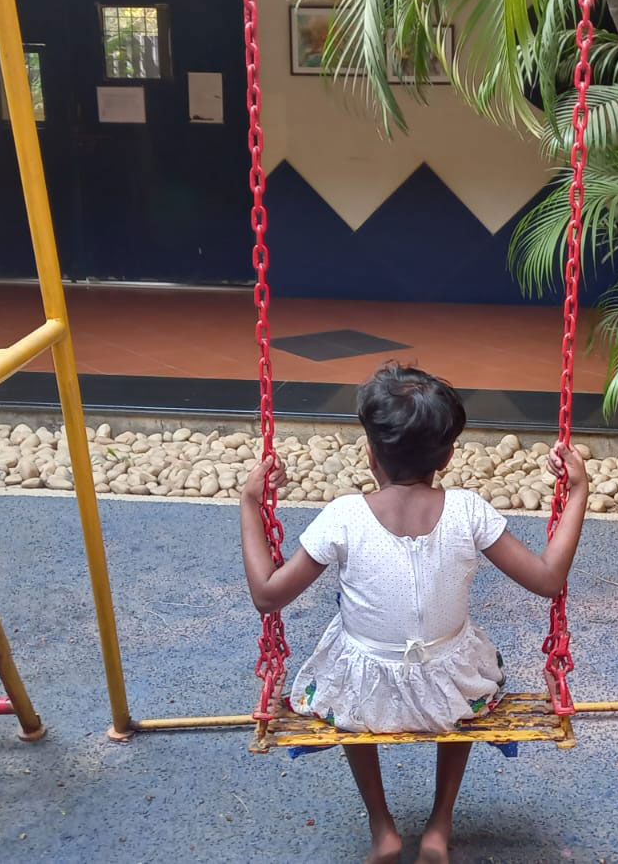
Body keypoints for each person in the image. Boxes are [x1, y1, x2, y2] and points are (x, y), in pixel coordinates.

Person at [241, 363, 589, 864]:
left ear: (369, 456)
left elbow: (268, 595)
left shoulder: (343, 516)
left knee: (346, 660)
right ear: (446, 457)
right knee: (468, 661)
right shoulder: (469, 510)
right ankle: (438, 827)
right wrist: (577, 491)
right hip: (451, 694)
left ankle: (383, 829)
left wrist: (250, 503)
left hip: (364, 698)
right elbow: (547, 580)